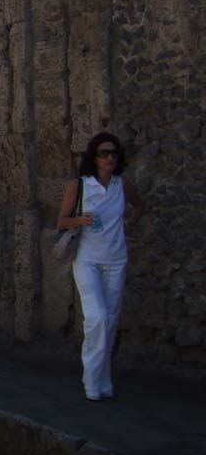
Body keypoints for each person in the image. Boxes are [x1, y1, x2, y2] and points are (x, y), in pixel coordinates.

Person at [57, 132, 144, 402]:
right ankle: (91, 380)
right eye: (104, 153)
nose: (110, 158)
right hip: (87, 260)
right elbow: (61, 221)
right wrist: (80, 220)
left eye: (113, 153)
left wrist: (128, 224)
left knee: (110, 322)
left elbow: (139, 206)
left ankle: (104, 379)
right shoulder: (80, 186)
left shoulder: (122, 185)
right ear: (94, 158)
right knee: (97, 318)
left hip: (116, 260)